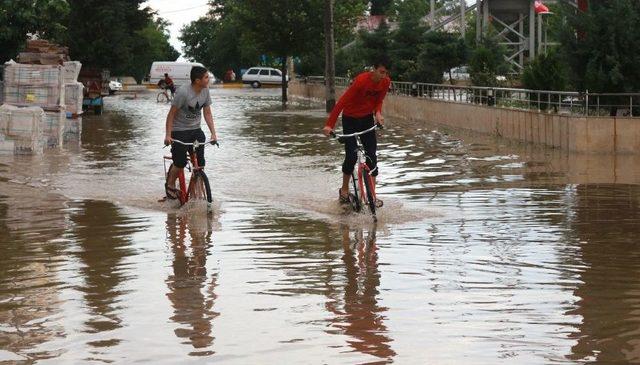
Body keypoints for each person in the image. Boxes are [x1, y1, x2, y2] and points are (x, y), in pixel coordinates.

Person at [322, 61, 391, 207]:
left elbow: (379, 100)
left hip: (367, 119)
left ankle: (373, 195)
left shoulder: (385, 82)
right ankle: (345, 189)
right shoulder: (361, 81)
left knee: (372, 156)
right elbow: (341, 103)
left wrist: (378, 113)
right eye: (381, 72)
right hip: (350, 119)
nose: (383, 76)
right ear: (374, 70)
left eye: (386, 73)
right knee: (351, 156)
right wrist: (329, 125)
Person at [164, 66, 218, 199]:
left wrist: (213, 134)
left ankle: (197, 182)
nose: (209, 79)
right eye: (206, 77)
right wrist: (168, 135)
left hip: (195, 130)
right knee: (181, 162)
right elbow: (171, 115)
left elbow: (207, 113)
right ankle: (170, 184)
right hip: (179, 131)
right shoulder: (183, 92)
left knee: (201, 162)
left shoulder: (205, 90)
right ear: (197, 80)